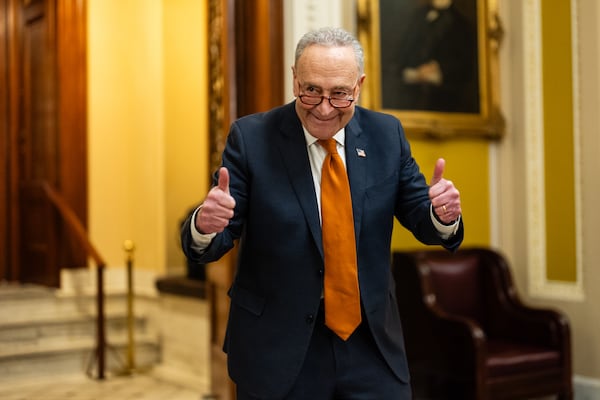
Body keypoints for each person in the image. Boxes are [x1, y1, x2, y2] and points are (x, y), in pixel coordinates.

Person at [181, 27, 463, 400]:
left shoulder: (386, 135)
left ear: (358, 86)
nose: (324, 107)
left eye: (339, 94)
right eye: (311, 90)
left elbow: (420, 216)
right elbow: (213, 240)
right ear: (294, 79)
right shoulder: (251, 139)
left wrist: (443, 216)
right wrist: (204, 224)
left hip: (370, 343)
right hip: (279, 347)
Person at [382, 0, 478, 112]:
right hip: (410, 92)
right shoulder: (417, 17)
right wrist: (413, 71)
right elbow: (403, 53)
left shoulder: (462, 24)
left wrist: (439, 69)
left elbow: (465, 67)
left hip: (444, 99)